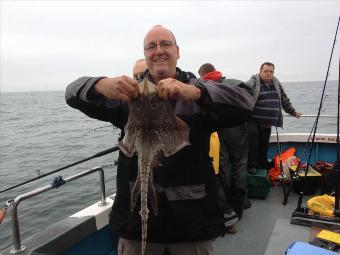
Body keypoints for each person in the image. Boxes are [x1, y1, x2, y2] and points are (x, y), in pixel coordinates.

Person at [65, 25, 253, 255]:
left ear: (178, 51)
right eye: (151, 46)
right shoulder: (128, 96)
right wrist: (99, 85)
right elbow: (71, 93)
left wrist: (196, 93)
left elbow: (246, 102)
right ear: (145, 54)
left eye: (166, 44)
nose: (159, 50)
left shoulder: (196, 91)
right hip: (135, 225)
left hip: (191, 227)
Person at [198, 63, 250, 233]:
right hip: (238, 130)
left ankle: (228, 208)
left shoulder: (203, 86)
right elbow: (249, 104)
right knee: (241, 165)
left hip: (217, 133)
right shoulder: (235, 83)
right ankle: (240, 206)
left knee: (223, 168)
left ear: (203, 74)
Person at [246, 62, 302, 174]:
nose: (268, 73)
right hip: (253, 119)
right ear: (260, 71)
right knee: (253, 142)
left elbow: (284, 99)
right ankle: (251, 166)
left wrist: (293, 112)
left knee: (264, 144)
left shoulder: (276, 82)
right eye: (265, 71)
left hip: (267, 122)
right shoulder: (252, 82)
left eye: (270, 71)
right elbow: (242, 97)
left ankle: (262, 165)